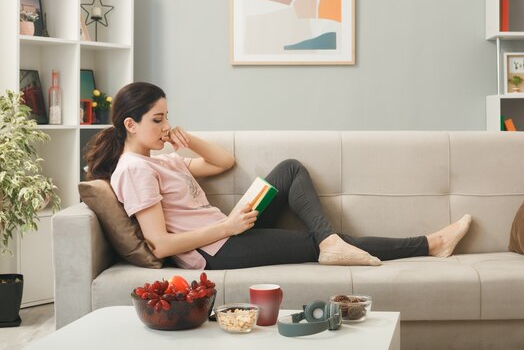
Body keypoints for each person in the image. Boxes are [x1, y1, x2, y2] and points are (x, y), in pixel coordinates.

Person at [84, 82, 472, 270]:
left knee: (289, 169)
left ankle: (330, 240)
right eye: (158, 119)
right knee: (309, 242)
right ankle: (430, 243)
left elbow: (223, 162)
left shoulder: (162, 160)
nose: (166, 124)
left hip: (228, 229)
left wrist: (189, 141)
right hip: (214, 251)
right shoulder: (134, 170)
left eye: (168, 115)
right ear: (131, 125)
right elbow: (160, 245)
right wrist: (228, 229)